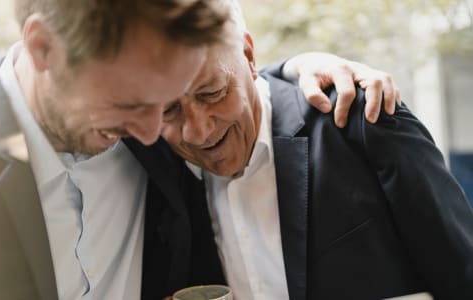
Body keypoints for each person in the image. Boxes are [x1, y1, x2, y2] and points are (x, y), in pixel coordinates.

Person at [0, 0, 401, 299]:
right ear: (43, 49)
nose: (158, 132)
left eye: (166, 102)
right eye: (130, 103)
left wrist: (293, 71)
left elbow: (226, 86)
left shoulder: (159, 134)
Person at [140, 4, 473, 300]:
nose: (197, 131)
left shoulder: (363, 119)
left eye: (212, 93)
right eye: (168, 111)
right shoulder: (161, 170)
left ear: (248, 56)